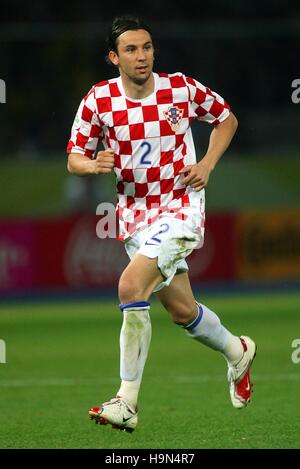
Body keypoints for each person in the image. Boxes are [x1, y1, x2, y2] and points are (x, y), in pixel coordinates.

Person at [66, 15, 256, 433]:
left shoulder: (180, 89)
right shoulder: (98, 100)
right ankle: (238, 351)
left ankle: (126, 402)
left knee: (131, 287)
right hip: (134, 217)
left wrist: (206, 164)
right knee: (181, 309)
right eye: (131, 49)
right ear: (113, 57)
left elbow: (227, 118)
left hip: (181, 206)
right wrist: (92, 164)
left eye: (147, 47)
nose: (142, 56)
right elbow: (74, 157)